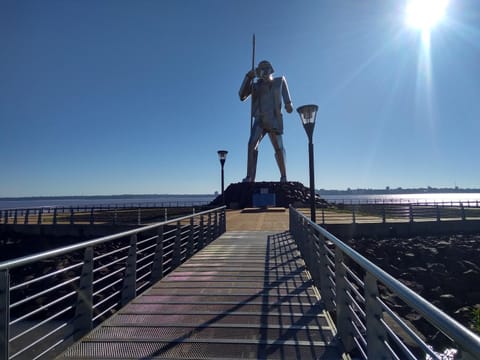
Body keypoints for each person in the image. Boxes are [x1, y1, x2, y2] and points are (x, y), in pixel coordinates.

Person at [239, 60, 293, 183]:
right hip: (259, 120)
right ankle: (250, 177)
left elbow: (287, 99)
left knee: (278, 148)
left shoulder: (280, 81)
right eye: (260, 70)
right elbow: (241, 96)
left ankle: (283, 176)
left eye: (265, 69)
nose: (262, 73)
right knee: (251, 145)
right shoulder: (255, 86)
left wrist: (288, 104)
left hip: (274, 119)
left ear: (270, 69)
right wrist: (248, 78)